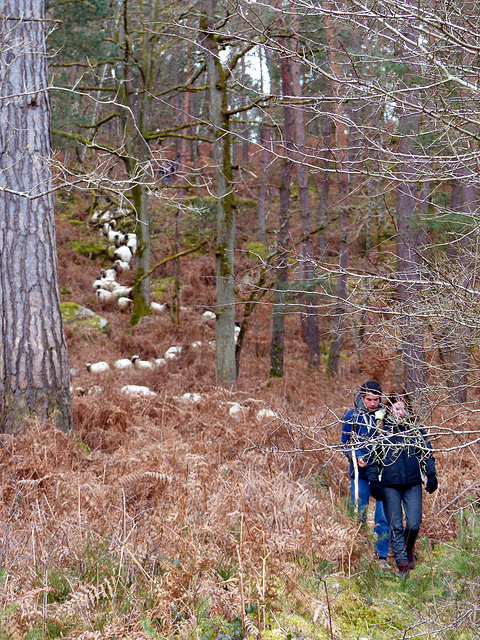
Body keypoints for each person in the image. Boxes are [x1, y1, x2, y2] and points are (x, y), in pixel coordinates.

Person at [366, 390, 438, 575]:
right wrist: (374, 481)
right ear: (389, 408)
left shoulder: (415, 428)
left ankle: (409, 548)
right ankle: (402, 565)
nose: (401, 412)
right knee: (395, 525)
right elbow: (373, 458)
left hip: (413, 482)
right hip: (389, 484)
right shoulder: (381, 429)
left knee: (414, 523)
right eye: (397, 408)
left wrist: (431, 474)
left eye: (403, 409)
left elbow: (426, 452)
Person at [341, 381, 390, 567]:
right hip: (359, 473)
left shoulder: (385, 416)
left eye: (376, 399)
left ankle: (382, 556)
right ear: (362, 398)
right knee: (359, 511)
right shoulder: (351, 416)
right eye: (369, 399)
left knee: (383, 515)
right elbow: (345, 443)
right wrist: (358, 456)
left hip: (382, 474)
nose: (372, 403)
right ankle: (359, 552)